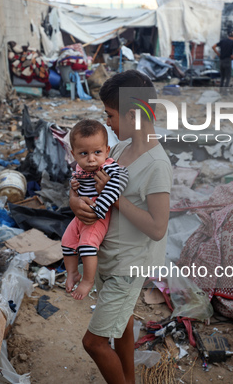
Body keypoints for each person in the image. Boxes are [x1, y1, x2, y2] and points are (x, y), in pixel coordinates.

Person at [70, 70, 172, 384]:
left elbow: (158, 228)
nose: (109, 124)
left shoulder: (156, 165)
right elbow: (86, 185)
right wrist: (76, 202)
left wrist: (116, 201)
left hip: (128, 266)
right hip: (109, 256)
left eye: (110, 116)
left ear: (132, 114)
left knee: (94, 342)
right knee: (123, 323)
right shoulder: (118, 151)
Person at [62, 119, 129, 300]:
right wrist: (73, 187)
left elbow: (121, 180)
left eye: (97, 152)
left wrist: (100, 208)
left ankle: (87, 281)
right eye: (84, 153)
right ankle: (72, 272)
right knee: (67, 241)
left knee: (87, 246)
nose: (91, 159)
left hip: (98, 216)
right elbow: (76, 181)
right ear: (73, 154)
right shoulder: (79, 168)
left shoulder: (109, 167)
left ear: (107, 151)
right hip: (80, 215)